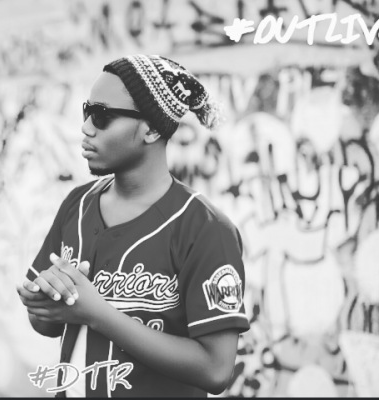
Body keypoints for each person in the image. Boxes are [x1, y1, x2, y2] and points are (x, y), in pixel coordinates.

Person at [17, 54, 249, 398]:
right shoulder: (77, 205)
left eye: (102, 116)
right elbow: (46, 324)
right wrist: (46, 298)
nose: (86, 127)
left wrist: (98, 314)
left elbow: (216, 370)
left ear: (152, 128)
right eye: (86, 111)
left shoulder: (205, 228)